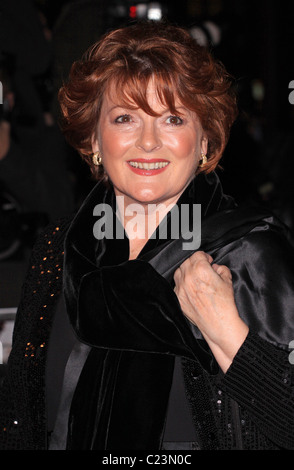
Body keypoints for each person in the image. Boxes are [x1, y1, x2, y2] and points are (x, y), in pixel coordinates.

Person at [0, 21, 294, 451]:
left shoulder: (250, 254)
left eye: (173, 119)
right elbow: (19, 414)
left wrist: (228, 333)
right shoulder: (60, 247)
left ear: (205, 141)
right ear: (95, 140)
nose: (149, 141)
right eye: (125, 119)